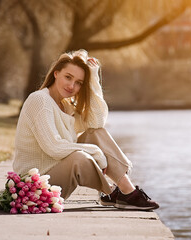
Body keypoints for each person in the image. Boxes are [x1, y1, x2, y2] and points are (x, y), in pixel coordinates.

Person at [12, 49, 159, 210]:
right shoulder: (40, 100)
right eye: (68, 77)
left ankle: (126, 190)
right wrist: (94, 152)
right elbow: (54, 147)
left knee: (95, 133)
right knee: (79, 158)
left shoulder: (66, 106)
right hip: (33, 187)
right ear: (56, 73)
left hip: (54, 177)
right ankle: (114, 192)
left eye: (79, 83)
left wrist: (93, 80)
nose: (71, 86)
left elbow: (97, 122)